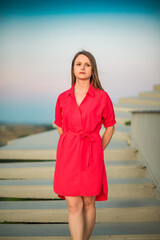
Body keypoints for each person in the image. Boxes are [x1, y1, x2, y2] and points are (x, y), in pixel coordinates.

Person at [53, 50, 116, 240]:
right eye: (78, 64)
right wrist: (70, 144)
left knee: (89, 203)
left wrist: (96, 149)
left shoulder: (102, 97)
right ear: (72, 69)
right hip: (68, 156)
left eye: (87, 64)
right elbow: (59, 125)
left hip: (91, 154)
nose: (82, 67)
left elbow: (110, 127)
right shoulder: (63, 97)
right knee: (73, 204)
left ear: (92, 69)